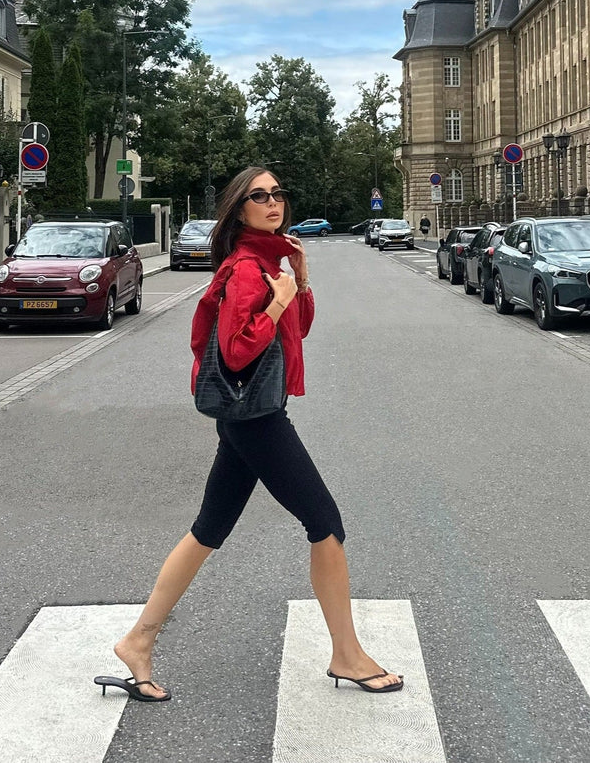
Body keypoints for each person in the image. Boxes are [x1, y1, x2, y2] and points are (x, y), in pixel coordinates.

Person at [100, 166, 403, 702]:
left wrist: (299, 281)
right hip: (256, 418)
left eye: (277, 194)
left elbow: (298, 331)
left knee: (209, 528)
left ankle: (137, 641)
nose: (272, 203)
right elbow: (238, 350)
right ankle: (347, 654)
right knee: (325, 523)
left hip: (249, 414)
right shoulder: (246, 269)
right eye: (258, 196)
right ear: (240, 209)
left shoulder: (271, 262)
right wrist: (280, 298)